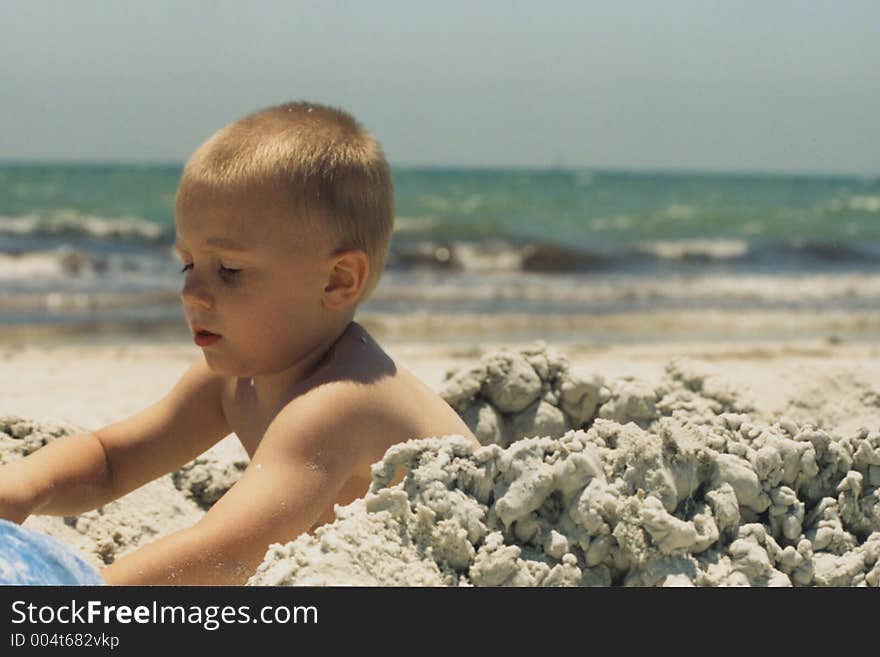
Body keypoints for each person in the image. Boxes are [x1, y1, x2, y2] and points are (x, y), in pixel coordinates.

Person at [0, 101, 479, 585]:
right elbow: (111, 461)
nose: (191, 292)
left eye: (228, 270)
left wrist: (92, 595)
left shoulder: (340, 403)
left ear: (337, 281)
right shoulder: (234, 377)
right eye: (188, 264)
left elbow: (229, 550)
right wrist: (21, 488)